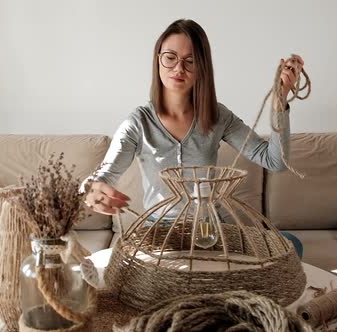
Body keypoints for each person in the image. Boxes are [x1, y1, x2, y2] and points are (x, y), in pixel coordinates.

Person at [82, 19, 304, 257]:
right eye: (170, 57)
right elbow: (104, 174)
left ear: (202, 68)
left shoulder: (217, 116)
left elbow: (275, 161)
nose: (179, 68)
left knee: (290, 246)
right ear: (158, 60)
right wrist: (90, 189)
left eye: (190, 61)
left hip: (211, 227)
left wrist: (280, 101)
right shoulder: (139, 122)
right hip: (159, 230)